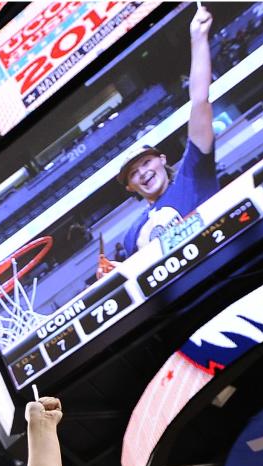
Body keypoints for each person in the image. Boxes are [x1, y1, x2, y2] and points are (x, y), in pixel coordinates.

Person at [99, 3, 218, 276]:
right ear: (130, 187)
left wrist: (198, 39)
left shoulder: (194, 174)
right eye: (133, 173)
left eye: (146, 162)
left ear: (162, 160)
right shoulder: (132, 237)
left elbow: (200, 101)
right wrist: (116, 275)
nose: (142, 173)